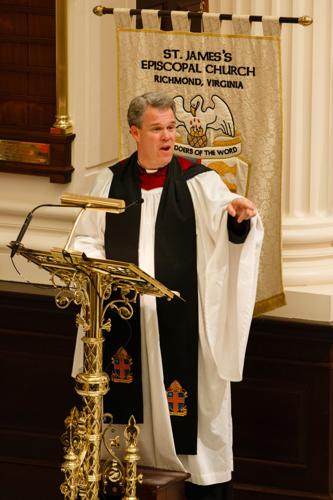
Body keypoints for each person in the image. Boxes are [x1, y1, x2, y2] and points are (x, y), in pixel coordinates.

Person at [72, 91, 264, 500]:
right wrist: (91, 260)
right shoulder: (110, 182)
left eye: (171, 128)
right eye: (157, 129)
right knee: (127, 405)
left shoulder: (201, 182)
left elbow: (229, 225)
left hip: (183, 324)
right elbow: (87, 238)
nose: (167, 136)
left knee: (192, 408)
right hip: (125, 319)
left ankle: (198, 487)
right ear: (135, 132)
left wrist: (239, 221)